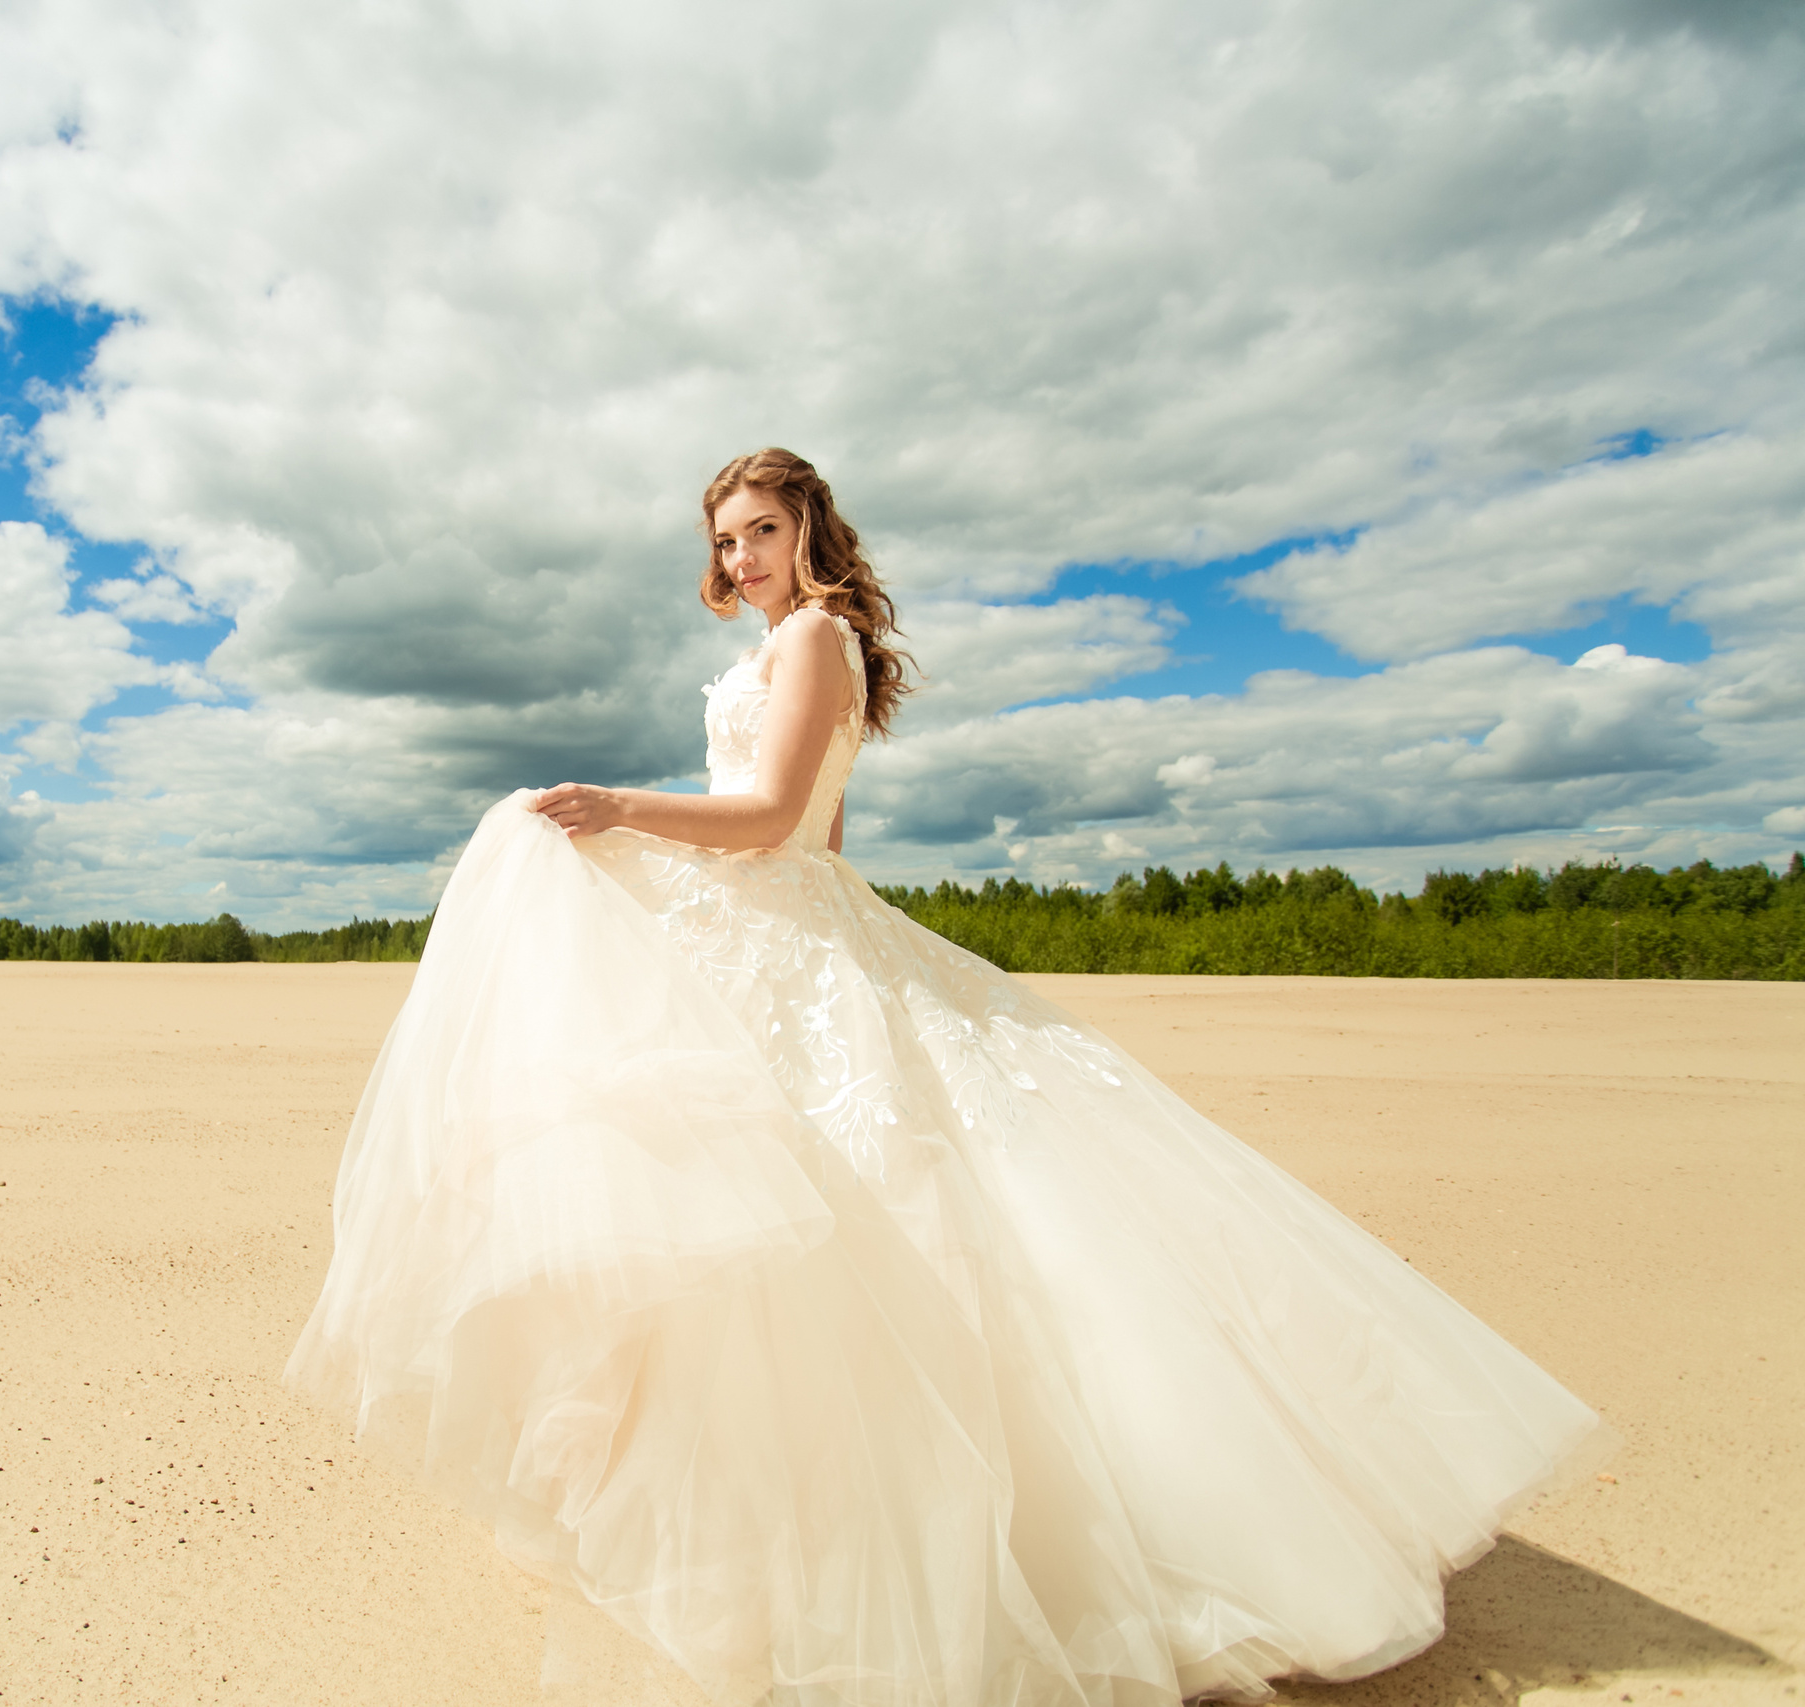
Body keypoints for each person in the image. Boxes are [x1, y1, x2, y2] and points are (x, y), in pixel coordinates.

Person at [285, 448, 1608, 1707]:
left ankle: (916, 1562)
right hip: (787, 927)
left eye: (763, 531)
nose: (743, 557)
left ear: (814, 535)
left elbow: (767, 821)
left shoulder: (814, 638)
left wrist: (620, 811)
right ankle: (776, 1539)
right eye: (725, 540)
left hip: (785, 918)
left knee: (856, 1231)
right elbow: (822, 836)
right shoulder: (781, 649)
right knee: (760, 1235)